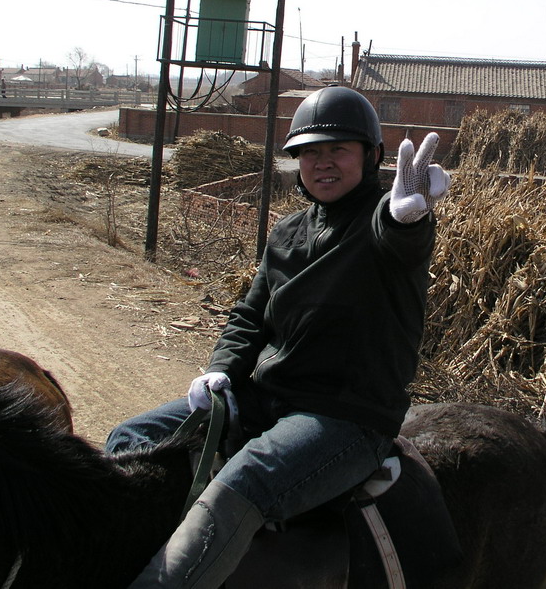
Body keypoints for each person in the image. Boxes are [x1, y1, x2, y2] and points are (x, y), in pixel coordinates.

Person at [107, 85, 451, 589]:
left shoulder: (384, 220)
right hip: (264, 398)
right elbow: (249, 315)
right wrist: (221, 368)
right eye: (311, 152)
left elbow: (399, 239)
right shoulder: (286, 233)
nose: (323, 163)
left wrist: (408, 219)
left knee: (243, 483)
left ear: (372, 155)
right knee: (128, 439)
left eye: (338, 149)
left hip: (342, 415)